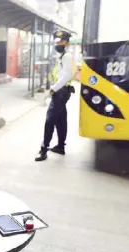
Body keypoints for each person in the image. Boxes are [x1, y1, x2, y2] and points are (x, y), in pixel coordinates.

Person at [35, 30, 75, 161]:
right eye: (57, 41)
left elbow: (67, 75)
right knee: (61, 119)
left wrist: (53, 89)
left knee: (50, 120)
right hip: (62, 91)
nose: (58, 43)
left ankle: (43, 149)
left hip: (61, 92)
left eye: (61, 41)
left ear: (67, 43)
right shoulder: (63, 56)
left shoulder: (67, 56)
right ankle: (60, 147)